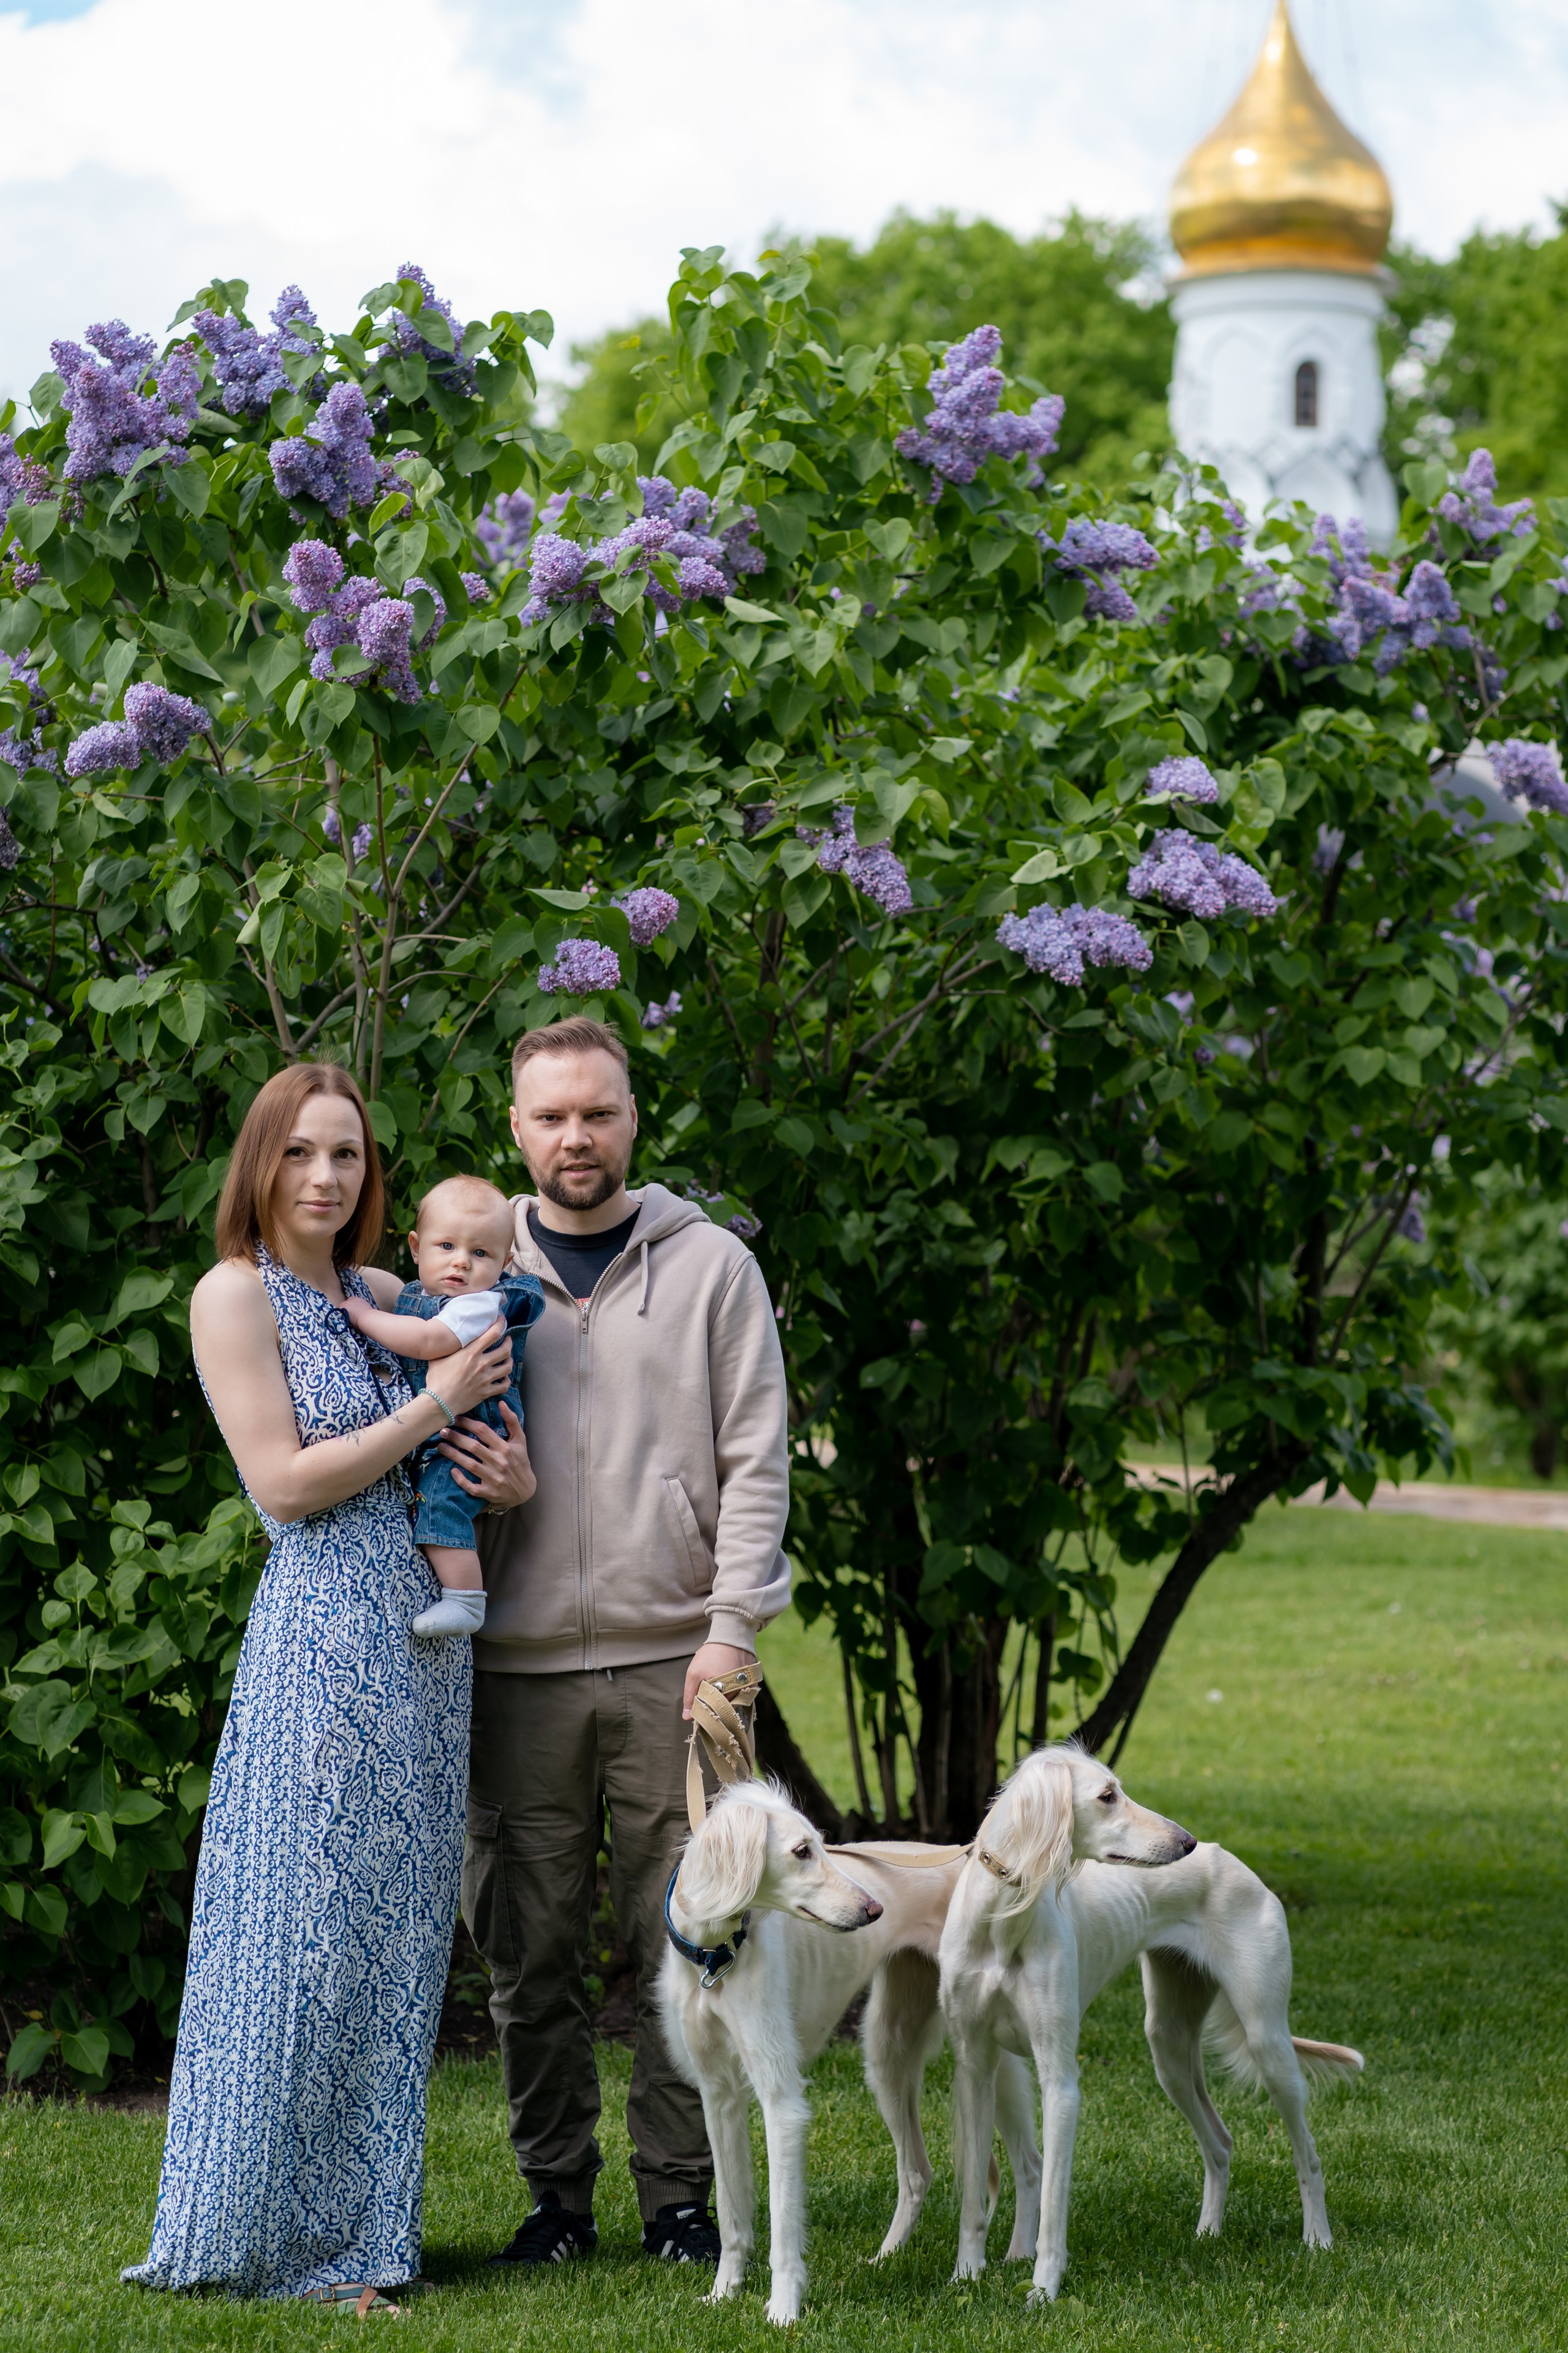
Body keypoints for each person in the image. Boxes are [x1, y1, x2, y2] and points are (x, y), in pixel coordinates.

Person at [123, 1062, 532, 2308]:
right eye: (300, 1152)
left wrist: (502, 1475)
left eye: (346, 1155)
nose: (323, 1177)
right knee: (300, 1942)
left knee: (393, 1947)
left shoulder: (379, 1291)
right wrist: (434, 1412)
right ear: (261, 1161)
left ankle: (364, 2237)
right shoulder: (231, 1296)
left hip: (422, 1652)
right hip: (322, 1647)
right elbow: (285, 1486)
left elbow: (472, 1394)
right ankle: (262, 2241)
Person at [464, 1016, 791, 2272]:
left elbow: (757, 1459)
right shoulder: (470, 1264)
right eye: (550, 1116)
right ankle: (554, 2200)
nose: (574, 1137)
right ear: (516, 1128)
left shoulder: (709, 1265)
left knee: (692, 1945)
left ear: (632, 1117)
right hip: (513, 1669)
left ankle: (679, 2203)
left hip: (681, 1665)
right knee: (526, 1952)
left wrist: (729, 1630)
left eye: (595, 1112)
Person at [345, 1174, 545, 1637]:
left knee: (440, 1506)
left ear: (505, 1263)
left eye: (480, 1254)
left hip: (472, 1436)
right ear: (416, 1247)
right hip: (445, 1427)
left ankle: (466, 1601)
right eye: (446, 1246)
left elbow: (428, 1341)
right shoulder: (422, 1295)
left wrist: (365, 1316)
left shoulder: (476, 1304)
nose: (461, 1263)